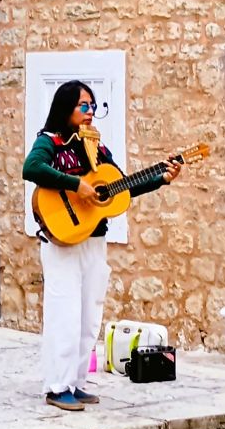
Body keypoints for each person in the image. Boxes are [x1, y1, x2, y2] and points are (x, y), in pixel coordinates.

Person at [22, 80, 182, 411]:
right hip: (62, 242)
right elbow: (31, 168)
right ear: (66, 108)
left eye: (93, 106)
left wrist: (161, 178)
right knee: (65, 315)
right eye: (84, 106)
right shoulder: (50, 141)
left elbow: (121, 187)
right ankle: (57, 386)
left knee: (88, 316)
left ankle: (76, 382)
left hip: (93, 238)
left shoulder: (96, 148)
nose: (90, 112)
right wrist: (75, 184)